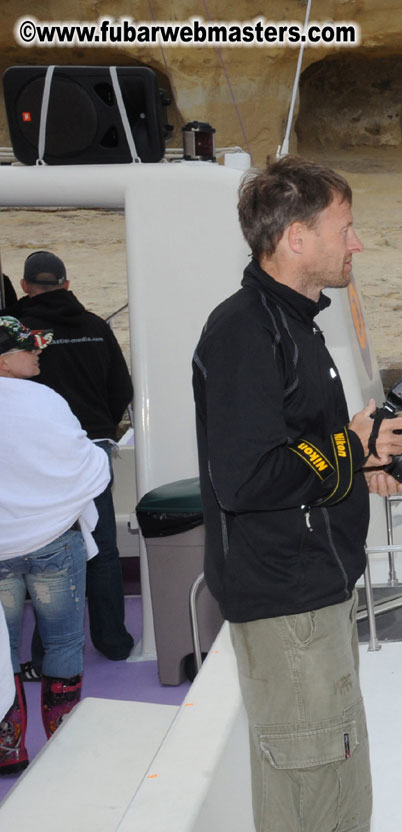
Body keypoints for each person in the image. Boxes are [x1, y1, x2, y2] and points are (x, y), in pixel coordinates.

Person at [193, 156, 402, 831]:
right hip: (290, 605)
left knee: (330, 777)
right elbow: (248, 478)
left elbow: (303, 451)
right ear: (295, 238)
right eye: (344, 228)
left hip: (313, 593)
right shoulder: (244, 334)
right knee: (314, 788)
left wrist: (362, 461)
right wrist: (351, 447)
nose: (357, 243)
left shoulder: (294, 325)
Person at [0, 316, 110, 775]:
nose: (38, 352)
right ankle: (63, 743)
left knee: (1, 651)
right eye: (28, 348)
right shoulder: (45, 400)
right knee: (64, 642)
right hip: (53, 544)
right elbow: (85, 465)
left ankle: (8, 749)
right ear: (3, 362)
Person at [15, 250, 136, 666]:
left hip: (38, 455)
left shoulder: (15, 334)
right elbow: (122, 388)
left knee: (42, 544)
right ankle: (114, 642)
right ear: (67, 285)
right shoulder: (95, 327)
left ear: (25, 285)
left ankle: (44, 652)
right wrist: (100, 426)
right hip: (94, 450)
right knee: (101, 547)